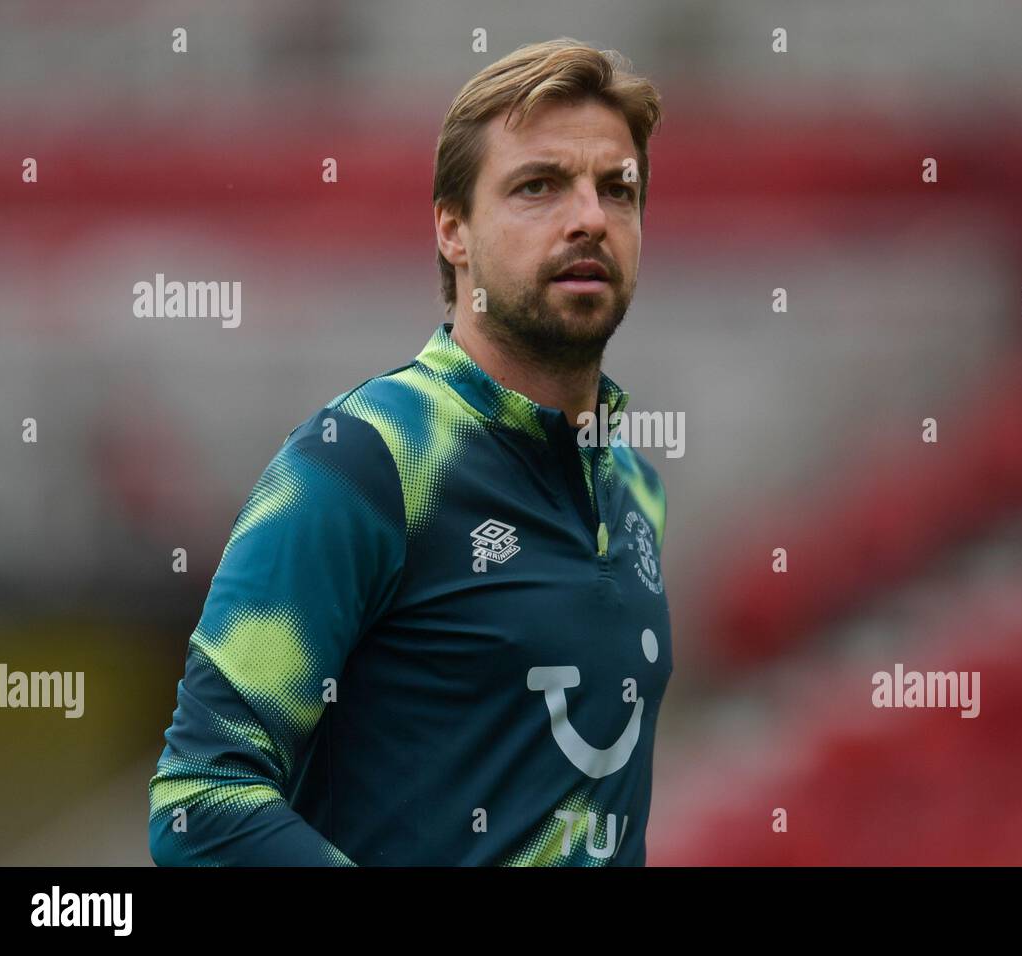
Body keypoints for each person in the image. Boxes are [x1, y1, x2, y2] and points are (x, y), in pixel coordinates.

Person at [148, 37, 670, 866]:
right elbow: (200, 803)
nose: (590, 218)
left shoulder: (634, 486)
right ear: (453, 229)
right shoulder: (362, 461)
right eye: (538, 186)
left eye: (618, 189)